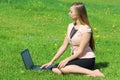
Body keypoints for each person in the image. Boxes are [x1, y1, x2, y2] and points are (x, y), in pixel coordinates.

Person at [41, 2, 105, 78]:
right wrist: (51, 61)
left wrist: (66, 60)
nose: (69, 13)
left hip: (86, 59)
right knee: (55, 69)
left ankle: (93, 72)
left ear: (78, 14)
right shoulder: (70, 26)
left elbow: (80, 51)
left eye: (71, 12)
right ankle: (85, 73)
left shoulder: (86, 29)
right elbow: (64, 46)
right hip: (76, 58)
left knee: (63, 69)